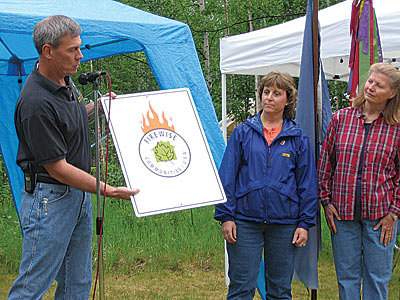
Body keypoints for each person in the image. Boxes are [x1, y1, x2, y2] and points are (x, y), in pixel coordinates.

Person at [8, 15, 139, 300]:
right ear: (47, 51)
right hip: (49, 200)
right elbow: (57, 168)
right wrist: (106, 189)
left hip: (76, 197)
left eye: (80, 48)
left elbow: (70, 119)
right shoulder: (35, 102)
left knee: (77, 284)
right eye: (73, 50)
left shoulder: (66, 83)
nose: (81, 56)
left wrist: (98, 107)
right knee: (32, 288)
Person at [214, 71, 318, 300]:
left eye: (277, 93)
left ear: (288, 99)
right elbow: (227, 176)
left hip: (285, 224)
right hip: (244, 222)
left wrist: (304, 222)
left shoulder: (298, 137)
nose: (269, 97)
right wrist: (226, 217)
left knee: (280, 291)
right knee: (241, 288)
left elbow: (307, 184)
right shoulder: (243, 132)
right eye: (266, 92)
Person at [318, 62, 400, 300]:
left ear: (392, 94)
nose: (371, 87)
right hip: (342, 215)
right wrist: (326, 202)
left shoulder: (396, 128)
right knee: (347, 279)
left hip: (380, 217)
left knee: (377, 279)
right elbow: (325, 163)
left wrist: (393, 213)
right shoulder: (341, 119)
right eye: (370, 81)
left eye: (379, 85)